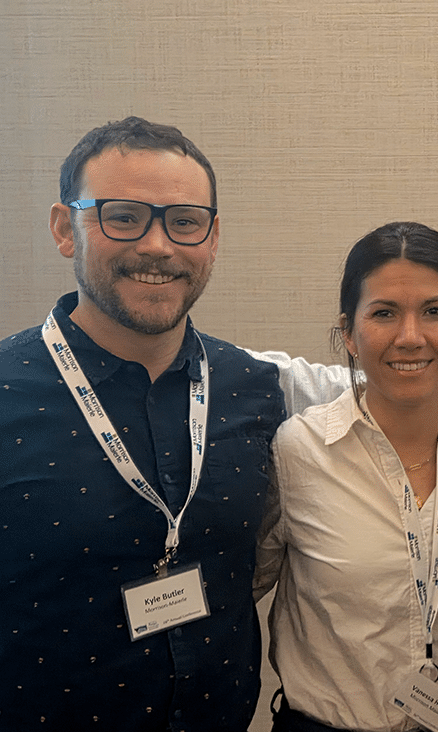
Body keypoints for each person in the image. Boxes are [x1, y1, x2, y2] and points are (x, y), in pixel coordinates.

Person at [0, 117, 286, 731]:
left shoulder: (255, 391)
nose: (158, 246)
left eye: (184, 221)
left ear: (212, 238)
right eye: (124, 216)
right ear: (64, 229)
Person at [255, 222, 438, 732]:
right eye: (384, 314)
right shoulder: (298, 451)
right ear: (349, 332)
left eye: (434, 312)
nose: (411, 337)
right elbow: (240, 586)